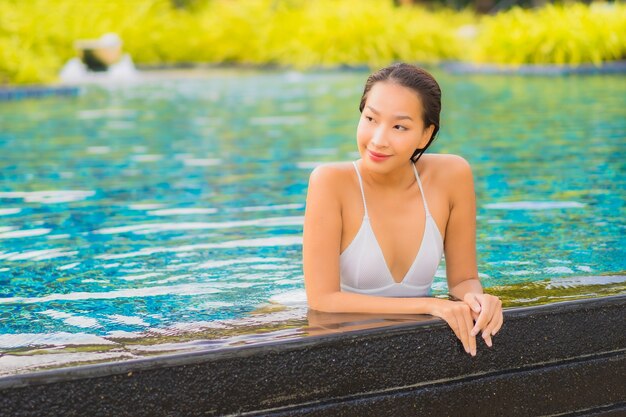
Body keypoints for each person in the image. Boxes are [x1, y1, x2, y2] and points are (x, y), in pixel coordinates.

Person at [302, 63, 503, 357]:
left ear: (425, 134)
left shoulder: (452, 175)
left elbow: (462, 280)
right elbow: (322, 300)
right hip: (341, 348)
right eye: (370, 118)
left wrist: (478, 300)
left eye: (399, 126)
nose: (378, 139)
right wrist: (429, 305)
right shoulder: (331, 182)